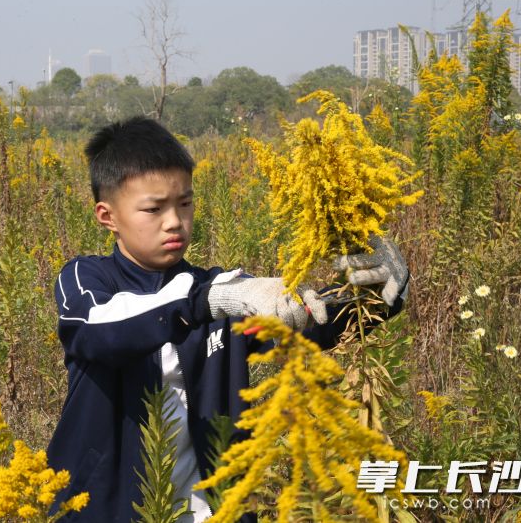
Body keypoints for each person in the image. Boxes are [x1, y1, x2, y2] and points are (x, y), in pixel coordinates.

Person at [46, 117, 409, 522]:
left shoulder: (220, 290)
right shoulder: (87, 279)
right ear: (107, 215)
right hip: (107, 508)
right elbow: (98, 331)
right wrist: (207, 301)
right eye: (153, 208)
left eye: (185, 203)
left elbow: (307, 319)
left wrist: (379, 295)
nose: (174, 221)